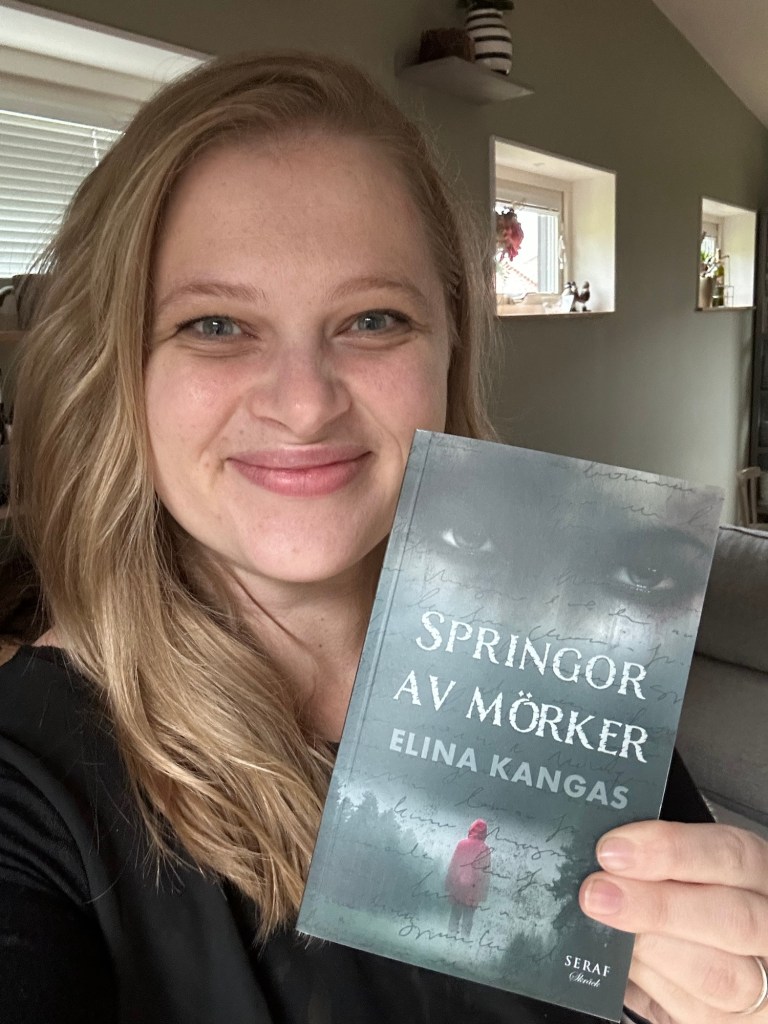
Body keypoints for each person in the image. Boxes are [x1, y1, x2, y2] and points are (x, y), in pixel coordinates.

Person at [1, 49, 767, 1024]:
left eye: (372, 319)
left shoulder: (562, 668)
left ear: (452, 347)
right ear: (120, 366)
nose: (303, 402)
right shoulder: (30, 787)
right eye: (216, 325)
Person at [446, 818, 492, 938]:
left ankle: (449, 942)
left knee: (454, 916)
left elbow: (453, 865)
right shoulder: (485, 849)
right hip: (473, 889)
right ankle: (464, 944)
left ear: (471, 829)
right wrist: (483, 894)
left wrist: (448, 884)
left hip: (458, 886)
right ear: (485, 833)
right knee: (468, 919)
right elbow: (485, 874)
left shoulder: (461, 844)